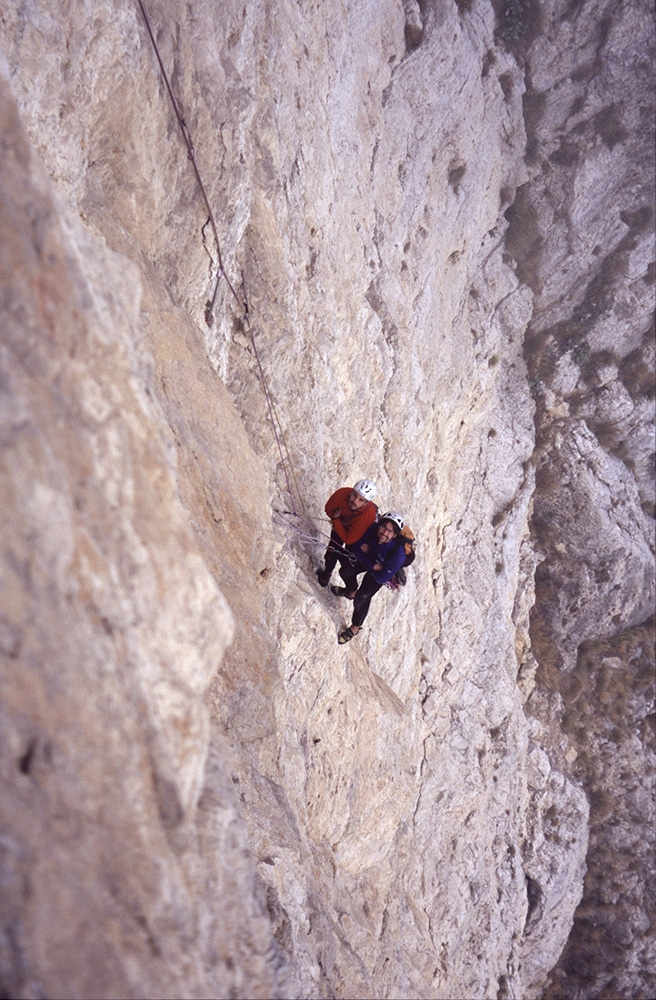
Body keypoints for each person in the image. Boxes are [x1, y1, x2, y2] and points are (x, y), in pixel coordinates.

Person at [333, 512, 406, 644]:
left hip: (380, 572)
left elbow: (382, 575)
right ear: (379, 526)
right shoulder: (372, 530)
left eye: (390, 531)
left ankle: (355, 627)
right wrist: (372, 564)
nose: (384, 533)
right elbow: (355, 547)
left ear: (395, 536)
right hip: (373, 562)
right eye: (383, 527)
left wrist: (367, 556)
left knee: (362, 598)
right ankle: (351, 591)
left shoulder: (397, 555)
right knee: (345, 571)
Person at [316, 479, 378, 588]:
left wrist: (337, 520)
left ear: (366, 503)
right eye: (354, 495)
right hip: (341, 524)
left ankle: (352, 589)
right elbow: (328, 509)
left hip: (357, 535)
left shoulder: (367, 516)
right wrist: (340, 523)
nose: (355, 501)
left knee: (347, 564)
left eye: (360, 500)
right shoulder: (342, 494)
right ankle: (326, 574)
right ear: (351, 491)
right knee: (332, 549)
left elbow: (349, 539)